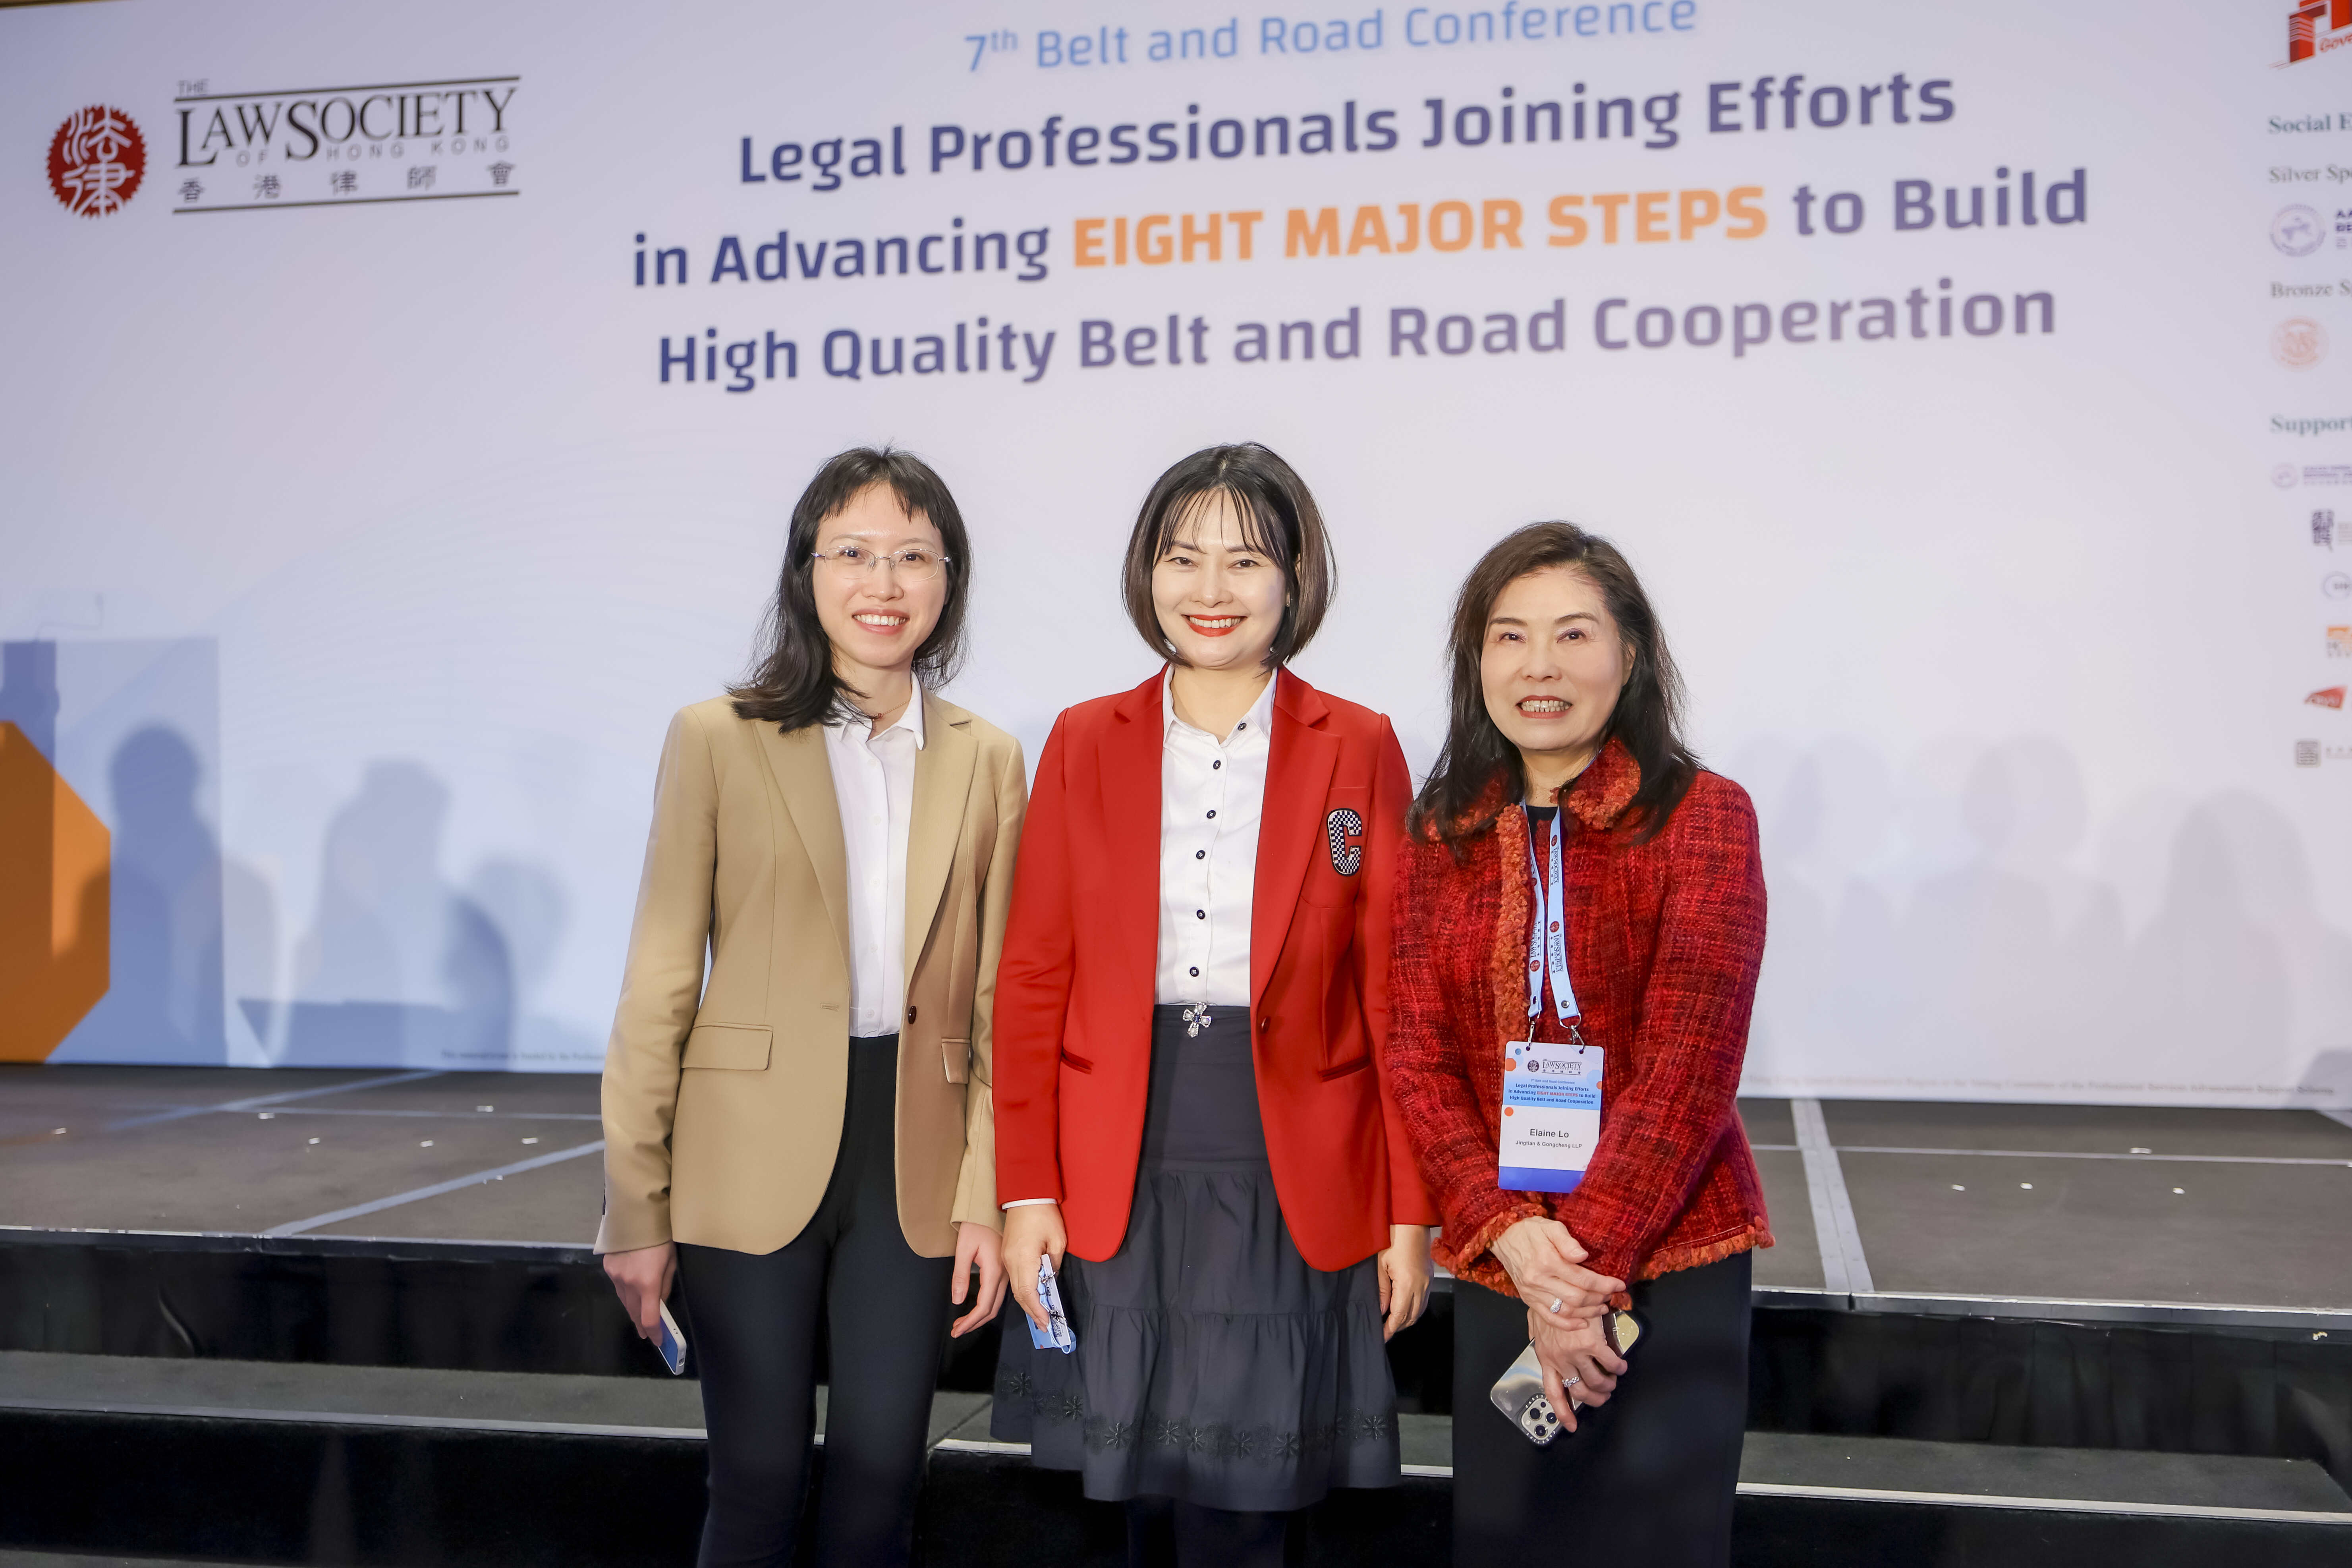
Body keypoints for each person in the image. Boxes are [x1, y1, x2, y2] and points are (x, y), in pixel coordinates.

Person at [990, 443, 1437, 1568]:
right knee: (1132, 1500)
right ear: (1146, 573)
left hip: (1291, 1165)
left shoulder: (1360, 744)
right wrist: (1026, 1188)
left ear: (1295, 577)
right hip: (1115, 1161)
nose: (1211, 589)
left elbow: (1396, 996)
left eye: (1245, 560)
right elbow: (1034, 977)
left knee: (1250, 1512)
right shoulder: (1084, 739)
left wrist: (1410, 1212)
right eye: (1182, 557)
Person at [595, 447, 1026, 1568]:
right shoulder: (715, 736)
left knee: (881, 1484)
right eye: (853, 553)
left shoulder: (989, 759)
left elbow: (998, 1003)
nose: (883, 582)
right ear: (806, 572)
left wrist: (986, 1195)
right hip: (745, 1152)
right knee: (756, 1480)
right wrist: (635, 1205)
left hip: (914, 1160)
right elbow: (659, 980)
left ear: (948, 578)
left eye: (912, 556)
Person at [1386, 521, 1771, 1568]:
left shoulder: (1704, 816)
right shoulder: (1439, 831)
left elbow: (1691, 1064)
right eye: (1509, 637)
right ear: (1477, 661)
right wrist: (1510, 1235)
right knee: (1510, 1542)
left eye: (1572, 635)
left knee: (1657, 1546)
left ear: (1629, 654)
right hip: (1506, 1256)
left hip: (1670, 1253)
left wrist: (1575, 1276)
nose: (1539, 666)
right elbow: (1415, 1055)